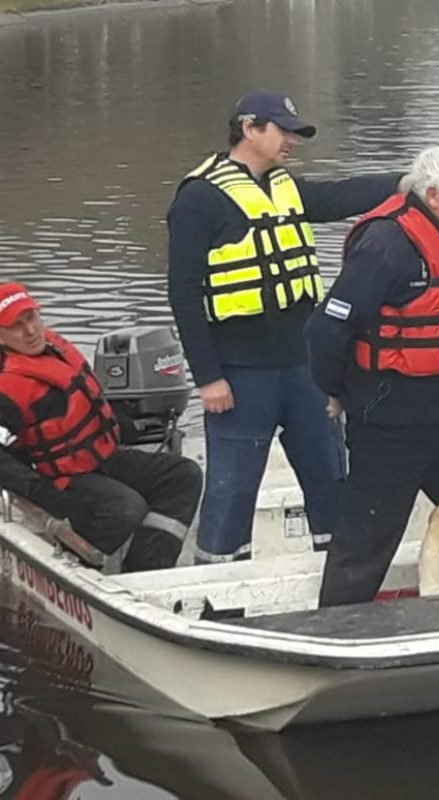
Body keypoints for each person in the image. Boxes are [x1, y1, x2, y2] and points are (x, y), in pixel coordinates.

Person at [166, 90, 405, 564]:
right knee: (232, 489)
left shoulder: (283, 186)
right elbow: (183, 293)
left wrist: (406, 181)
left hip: (305, 369)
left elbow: (338, 196)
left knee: (331, 479)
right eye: (283, 130)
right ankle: (217, 596)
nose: (291, 140)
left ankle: (339, 581)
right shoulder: (199, 199)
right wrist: (208, 376)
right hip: (240, 372)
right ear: (249, 128)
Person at [305, 145, 439, 606]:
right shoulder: (385, 246)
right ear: (434, 195)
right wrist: (337, 391)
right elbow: (327, 327)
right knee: (368, 538)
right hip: (388, 423)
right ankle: (337, 627)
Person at [0, 283, 202, 571]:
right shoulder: (7, 385)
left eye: (31, 318)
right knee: (124, 508)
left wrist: (126, 425)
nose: (31, 331)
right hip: (58, 478)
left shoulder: (54, 350)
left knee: (182, 475)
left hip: (100, 459)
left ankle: (145, 572)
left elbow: (80, 407)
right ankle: (78, 571)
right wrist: (35, 489)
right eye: (16, 327)